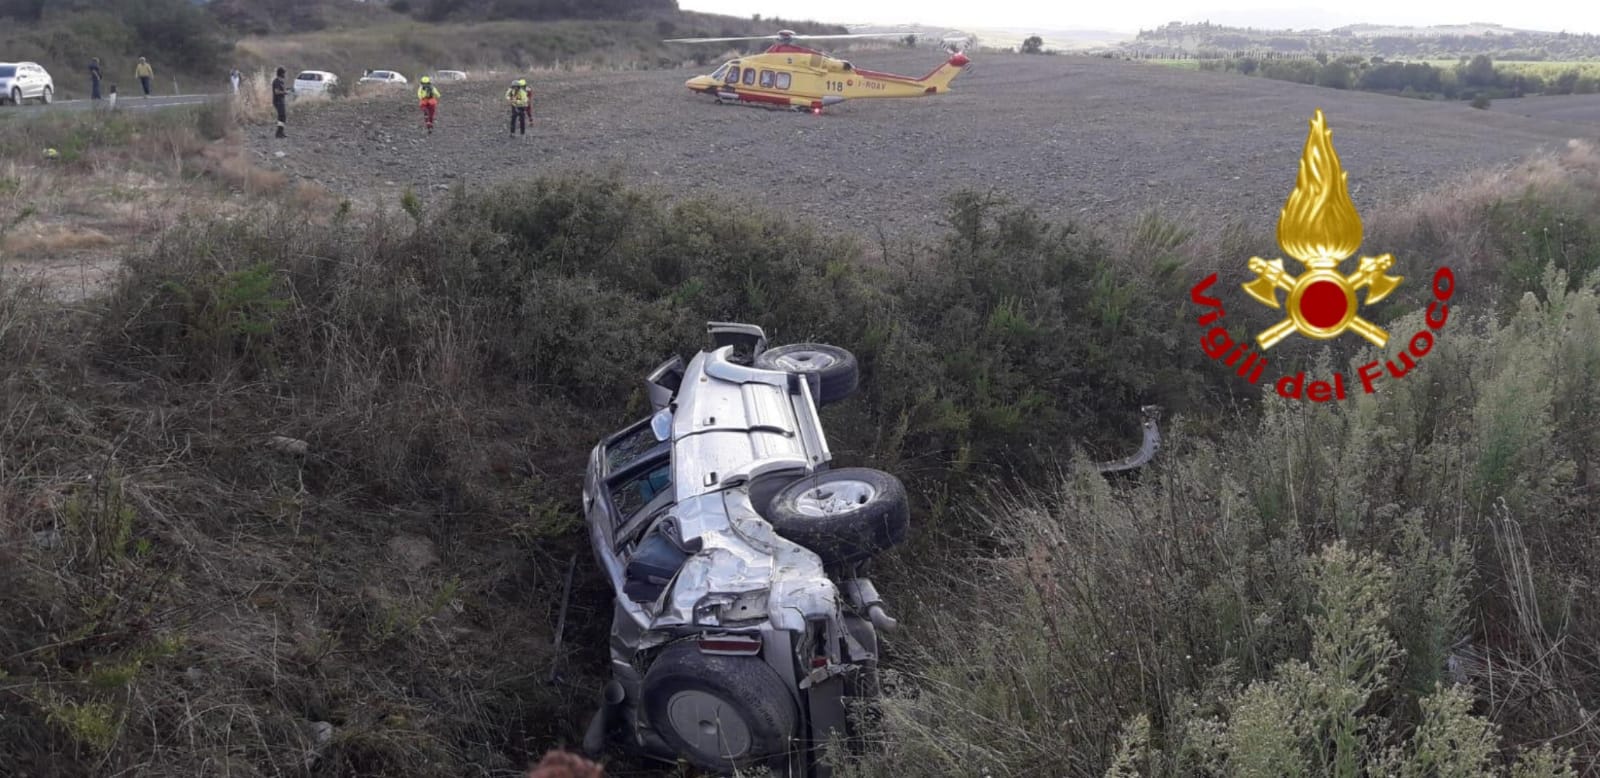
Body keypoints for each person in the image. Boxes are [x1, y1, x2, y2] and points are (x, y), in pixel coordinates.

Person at [272, 67, 288, 138]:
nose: (285, 74)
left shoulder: (281, 82)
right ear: (281, 73)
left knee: (282, 117)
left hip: (281, 100)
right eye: (284, 73)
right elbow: (276, 92)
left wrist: (286, 91)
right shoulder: (276, 82)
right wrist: (284, 92)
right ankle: (278, 133)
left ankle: (280, 132)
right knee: (281, 116)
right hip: (277, 101)